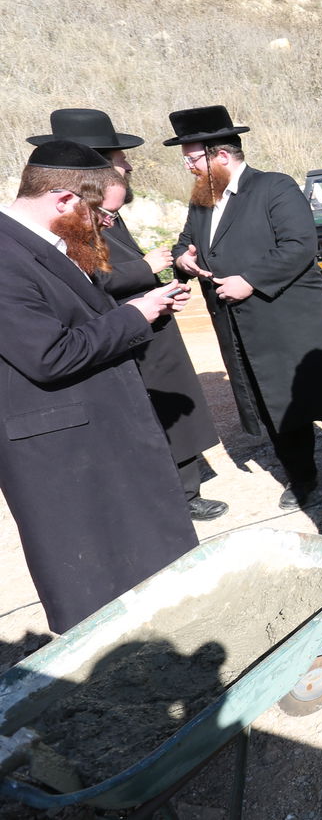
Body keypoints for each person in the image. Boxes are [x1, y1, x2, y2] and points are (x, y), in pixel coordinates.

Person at [0, 141, 199, 633]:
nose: (106, 225)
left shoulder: (42, 244)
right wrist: (135, 316)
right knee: (100, 586)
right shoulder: (4, 254)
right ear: (65, 200)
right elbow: (48, 355)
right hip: (62, 452)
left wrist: (144, 312)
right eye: (101, 214)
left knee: (147, 567)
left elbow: (76, 320)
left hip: (95, 434)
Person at [28, 109, 227, 521]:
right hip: (124, 330)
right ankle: (178, 494)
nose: (129, 166)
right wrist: (146, 269)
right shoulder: (72, 217)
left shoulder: (105, 208)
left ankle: (184, 487)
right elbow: (88, 278)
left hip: (146, 322)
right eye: (121, 160)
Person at [169, 105, 322, 509]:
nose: (189, 167)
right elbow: (185, 241)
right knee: (277, 411)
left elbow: (299, 246)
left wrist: (250, 280)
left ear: (220, 156)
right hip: (241, 329)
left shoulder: (274, 187)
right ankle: (302, 477)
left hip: (292, 326)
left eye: (192, 159)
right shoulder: (202, 200)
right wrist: (182, 258)